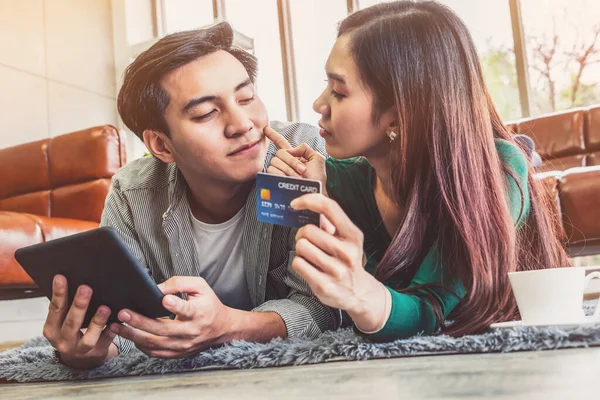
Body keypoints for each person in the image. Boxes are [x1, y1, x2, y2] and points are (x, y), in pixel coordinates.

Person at [42, 22, 340, 369]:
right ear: (161, 145)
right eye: (206, 113)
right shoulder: (132, 192)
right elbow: (125, 319)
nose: (243, 124)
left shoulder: (306, 158)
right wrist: (88, 350)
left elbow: (326, 304)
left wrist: (231, 326)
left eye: (246, 98)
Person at [266, 0, 568, 341]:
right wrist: (307, 193)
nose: (318, 105)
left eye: (338, 91)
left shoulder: (495, 171)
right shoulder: (332, 178)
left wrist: (360, 290)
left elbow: (432, 312)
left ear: (398, 114)